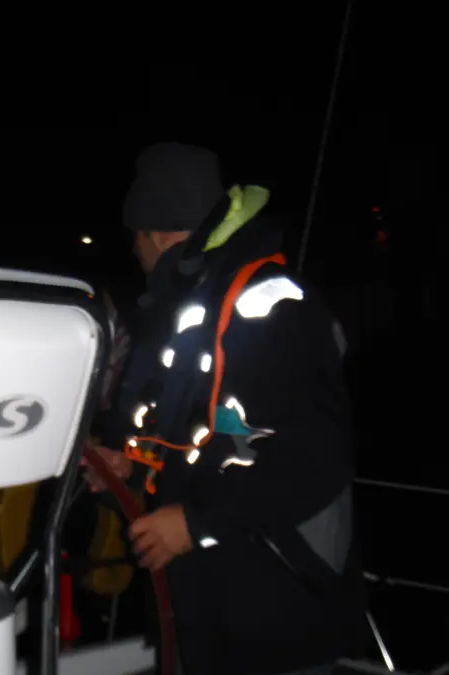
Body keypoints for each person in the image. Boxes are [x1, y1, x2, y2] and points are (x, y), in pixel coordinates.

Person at [84, 142, 366, 675]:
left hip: (279, 607)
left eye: (135, 239)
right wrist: (129, 464)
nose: (135, 255)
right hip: (204, 607)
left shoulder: (276, 308)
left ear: (157, 235)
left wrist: (196, 524)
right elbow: (195, 442)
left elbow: (318, 460)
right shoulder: (185, 307)